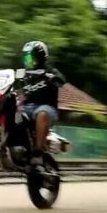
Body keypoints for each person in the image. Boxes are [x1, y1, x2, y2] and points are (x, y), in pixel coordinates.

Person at [20, 41, 66, 169]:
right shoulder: (24, 74)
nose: (27, 60)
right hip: (27, 108)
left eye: (30, 57)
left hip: (47, 108)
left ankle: (37, 152)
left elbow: (61, 80)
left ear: (40, 57)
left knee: (42, 114)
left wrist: (53, 78)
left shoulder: (49, 70)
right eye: (25, 57)